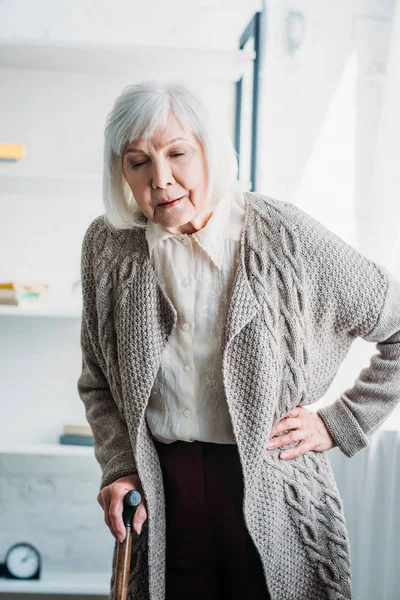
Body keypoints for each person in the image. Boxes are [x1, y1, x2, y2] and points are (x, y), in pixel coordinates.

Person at [77, 80, 400, 600]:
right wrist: (118, 466)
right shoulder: (108, 246)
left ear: (210, 152)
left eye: (177, 153)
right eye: (138, 162)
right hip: (165, 496)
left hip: (273, 493)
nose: (161, 180)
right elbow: (99, 383)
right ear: (121, 172)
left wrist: (341, 421)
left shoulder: (285, 236)